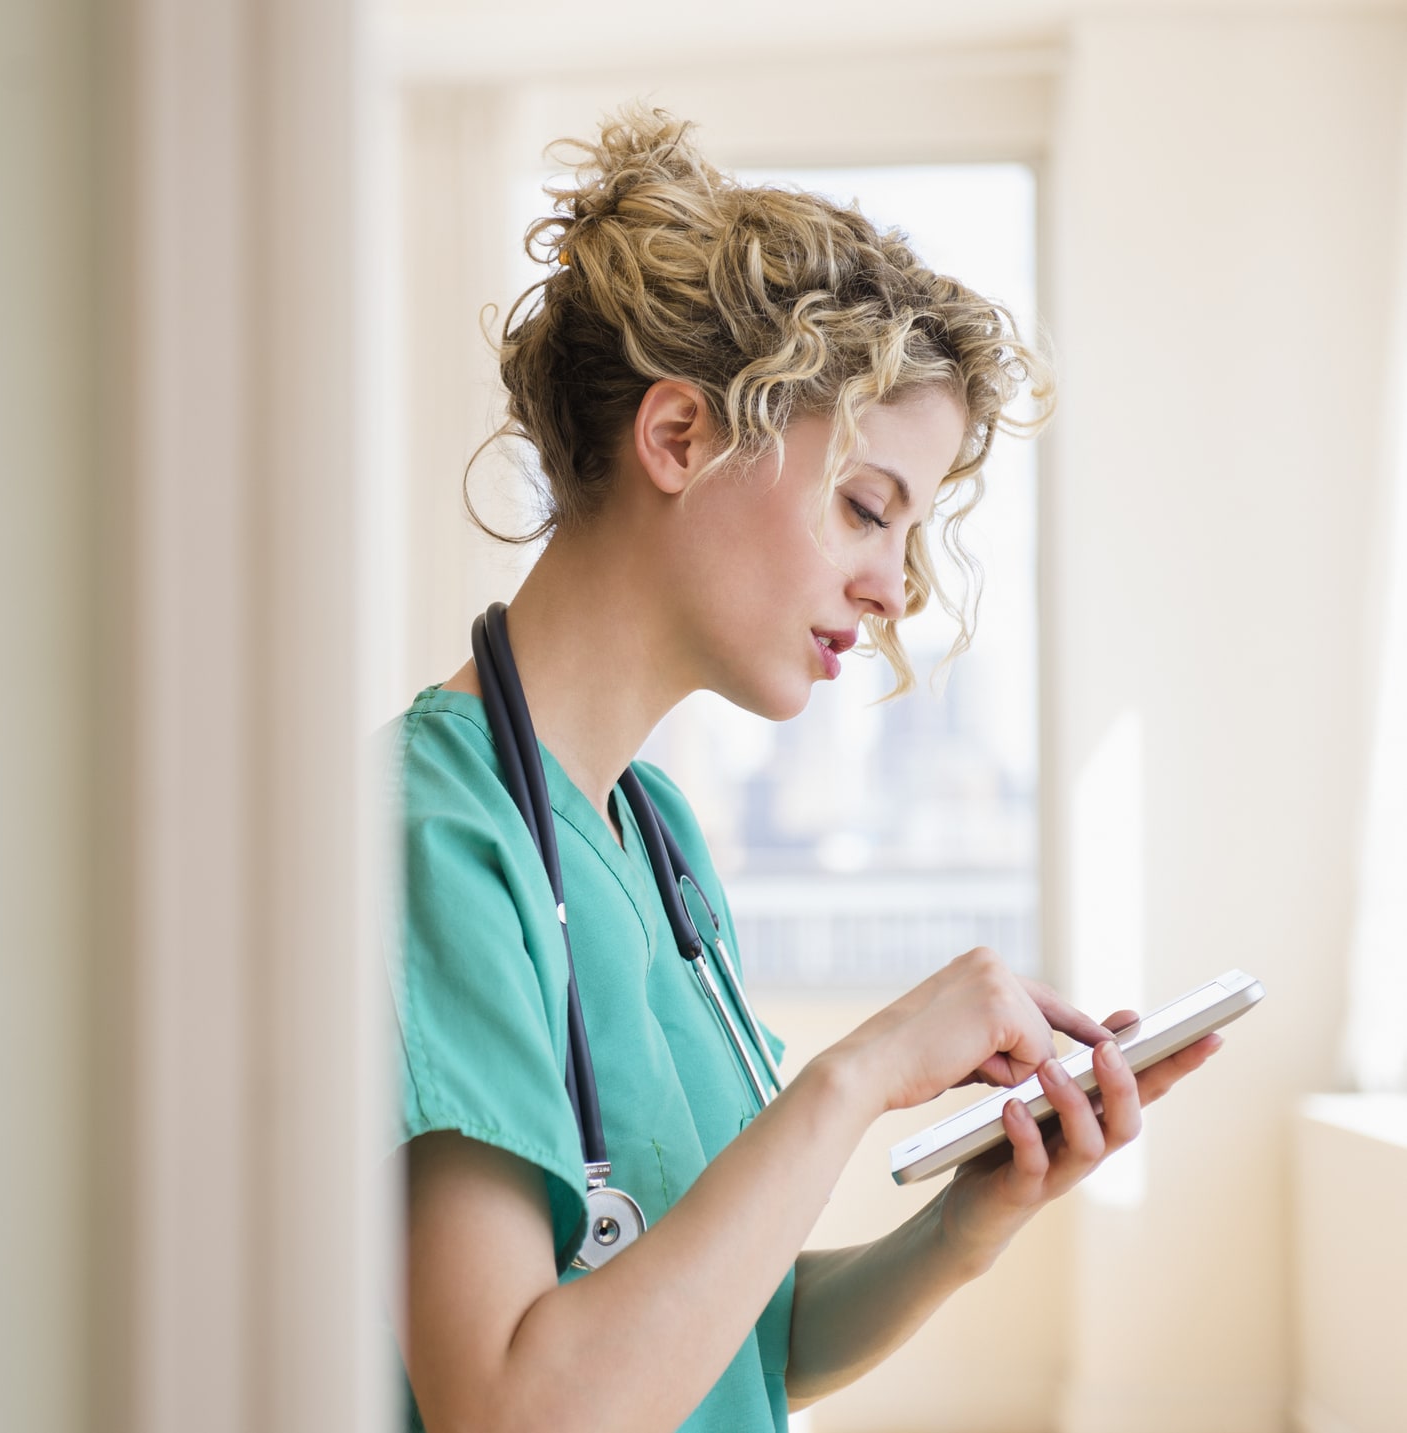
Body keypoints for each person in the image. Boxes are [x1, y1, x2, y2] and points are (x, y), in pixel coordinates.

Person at [388, 107, 1222, 1433]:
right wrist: (858, 1073)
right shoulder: (435, 834)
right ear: (678, 438)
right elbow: (519, 1405)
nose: (893, 588)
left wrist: (970, 1218)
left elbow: (731, 1341)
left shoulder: (654, 839)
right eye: (866, 507)